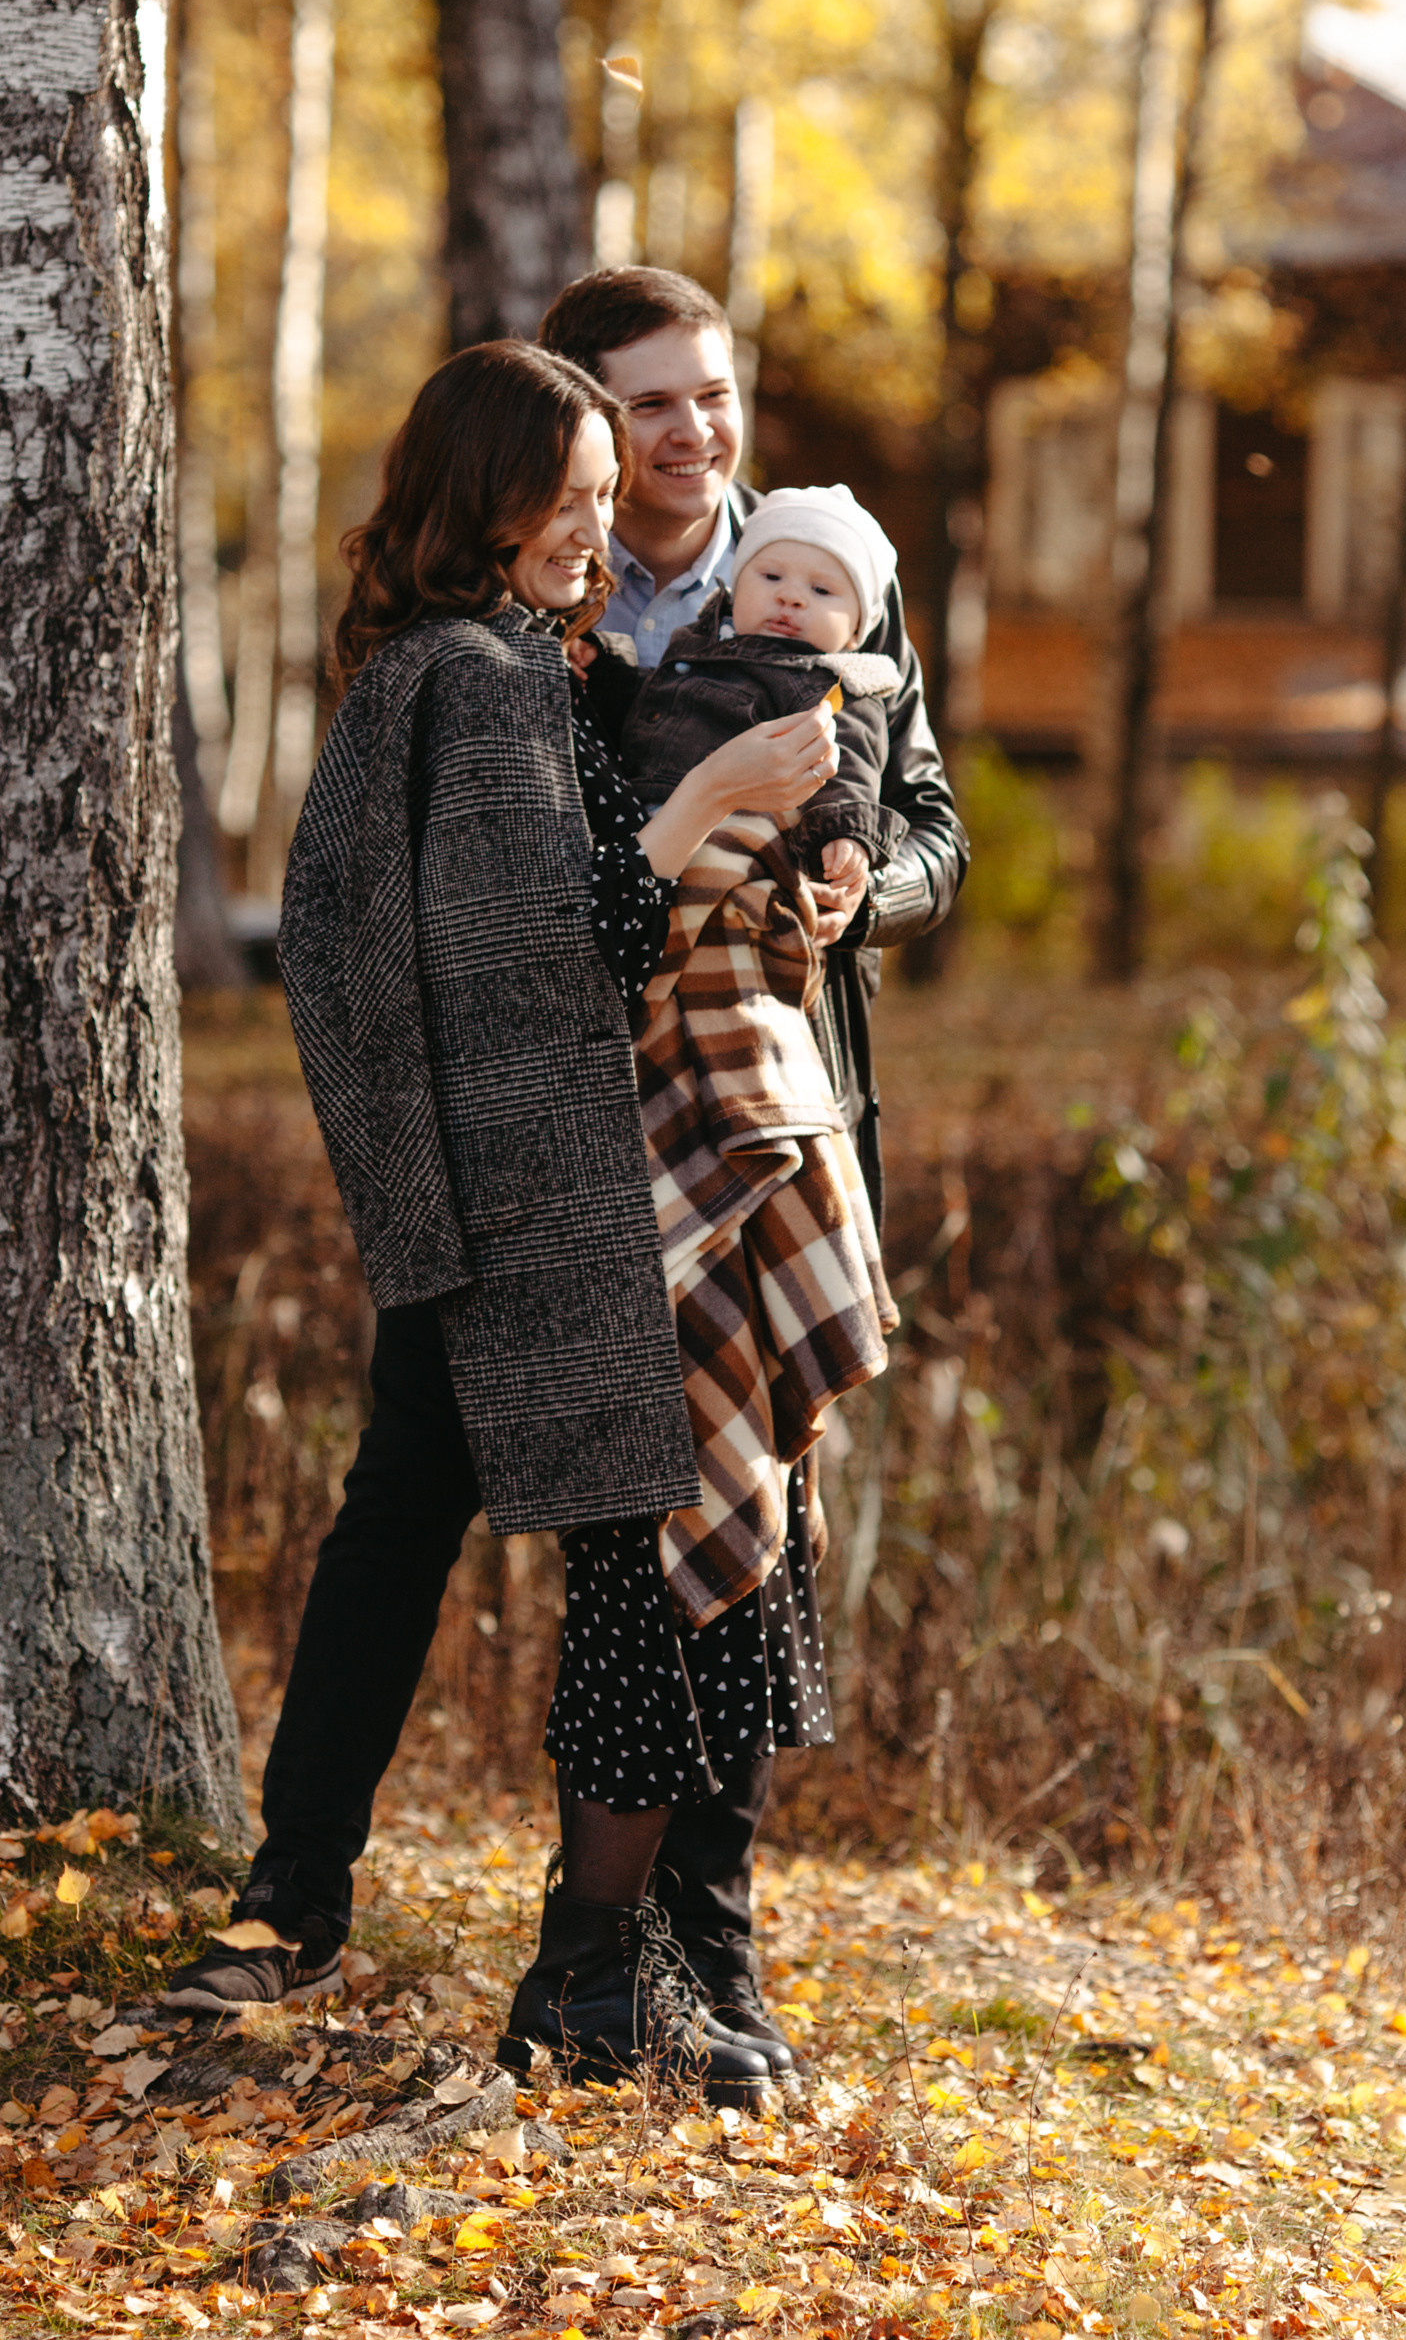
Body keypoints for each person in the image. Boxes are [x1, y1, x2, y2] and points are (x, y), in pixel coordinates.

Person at [165, 341, 841, 2099]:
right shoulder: (474, 683)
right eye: (565, 497)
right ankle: (589, 1969)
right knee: (642, 1550)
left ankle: (328, 1905)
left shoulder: (483, 669)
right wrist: (705, 809)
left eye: (610, 504)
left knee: (439, 1525)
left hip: (512, 1195)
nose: (593, 531)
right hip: (541, 1204)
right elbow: (537, 943)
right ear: (481, 491)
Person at [535, 265, 968, 2063]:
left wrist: (876, 897)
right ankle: (586, 1957)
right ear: (588, 418)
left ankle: (713, 1958)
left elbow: (936, 828)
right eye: (654, 402)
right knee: (636, 1546)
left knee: (763, 1531)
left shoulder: (830, 573)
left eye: (714, 394)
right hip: (607, 1148)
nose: (696, 432)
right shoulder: (553, 609)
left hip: (785, 1131)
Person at [587, 481, 912, 894]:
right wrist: (605, 671)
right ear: (736, 586)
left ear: (855, 632)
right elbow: (651, 704)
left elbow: (846, 764)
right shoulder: (698, 643)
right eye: (771, 576)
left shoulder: (830, 685)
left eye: (821, 590)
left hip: (731, 859)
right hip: (643, 837)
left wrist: (846, 835)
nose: (790, 596)